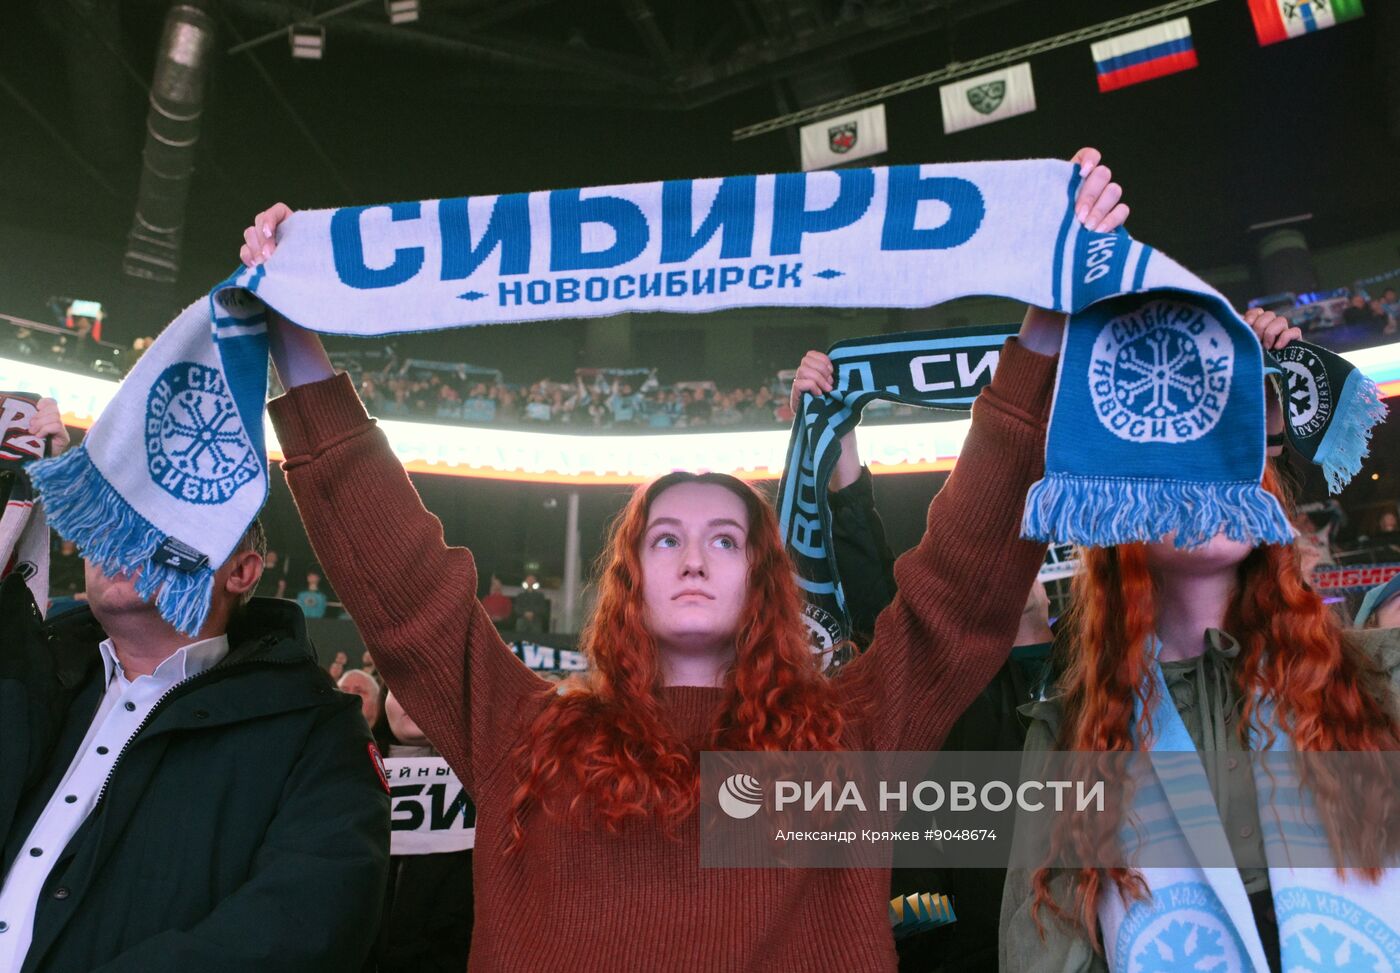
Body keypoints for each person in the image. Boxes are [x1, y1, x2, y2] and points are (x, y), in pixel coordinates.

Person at [238, 147, 1127, 971]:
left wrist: (1048, 317)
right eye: (666, 536)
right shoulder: (528, 737)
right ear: (629, 580)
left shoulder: (848, 742)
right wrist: (294, 344)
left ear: (762, 585)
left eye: (726, 538)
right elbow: (408, 595)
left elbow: (957, 592)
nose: (695, 555)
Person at [998, 310, 1400, 972]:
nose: (1212, 472)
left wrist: (1281, 379)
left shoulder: (1372, 676)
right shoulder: (1071, 741)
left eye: (1228, 440)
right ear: (1121, 502)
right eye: (1180, 448)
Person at [0, 456, 389, 971]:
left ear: (241, 570)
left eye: (159, 520)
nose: (118, 535)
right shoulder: (31, 683)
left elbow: (305, 927)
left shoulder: (316, 730)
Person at [364, 692, 474, 973]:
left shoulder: (489, 781)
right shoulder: (344, 771)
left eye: (429, 688)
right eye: (397, 688)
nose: (412, 698)